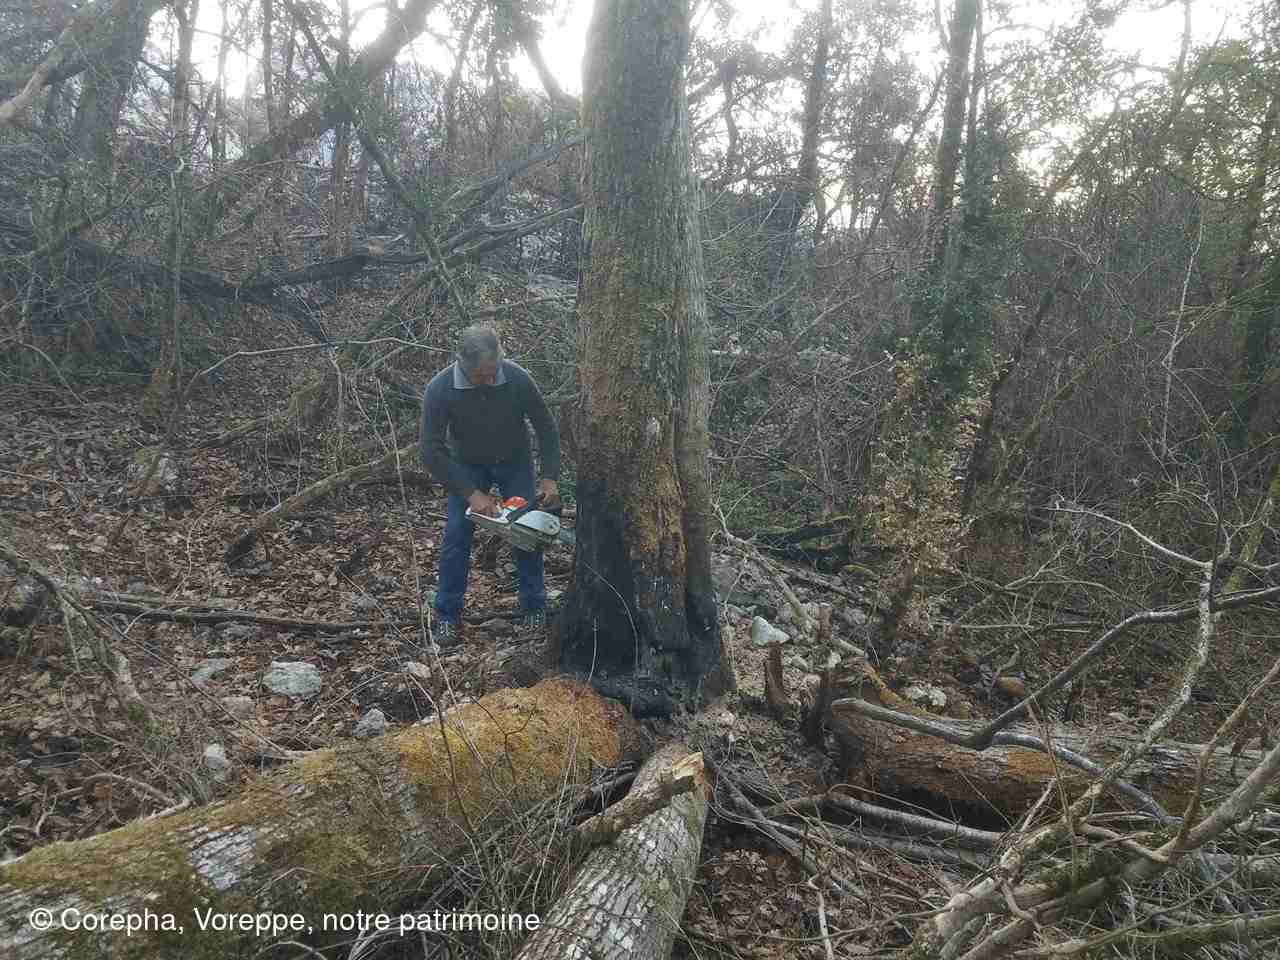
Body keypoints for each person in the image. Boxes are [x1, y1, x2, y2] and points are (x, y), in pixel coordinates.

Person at [420, 325, 561, 645]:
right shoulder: (440, 389)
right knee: (456, 535)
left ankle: (534, 606)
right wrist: (471, 493)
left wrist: (549, 476)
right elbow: (430, 450)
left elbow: (546, 428)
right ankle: (447, 616)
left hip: (515, 461)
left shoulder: (517, 378)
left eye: (493, 371)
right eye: (480, 375)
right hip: (468, 466)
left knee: (526, 531)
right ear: (462, 363)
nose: (489, 379)